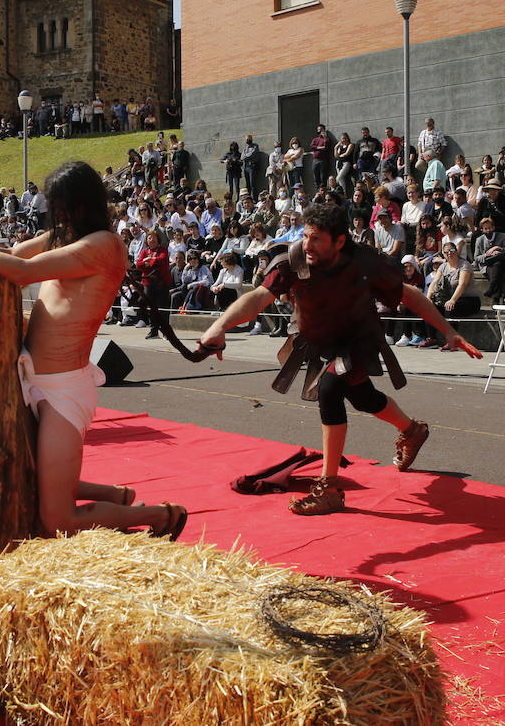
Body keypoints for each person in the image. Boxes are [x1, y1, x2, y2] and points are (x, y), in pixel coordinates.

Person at [0, 161, 188, 540]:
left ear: (82, 203)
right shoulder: (65, 235)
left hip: (63, 390)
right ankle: (117, 496)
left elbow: (23, 273)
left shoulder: (104, 245)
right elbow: (12, 254)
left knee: (57, 520)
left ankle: (163, 516)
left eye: (62, 206)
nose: (57, 215)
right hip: (37, 381)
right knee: (20, 471)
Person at [197, 202, 482, 515]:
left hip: (358, 338)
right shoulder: (293, 259)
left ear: (340, 241)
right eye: (305, 236)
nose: (307, 244)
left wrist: (449, 332)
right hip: (320, 340)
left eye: (316, 238)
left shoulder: (364, 263)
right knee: (362, 397)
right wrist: (219, 326)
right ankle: (413, 430)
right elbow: (258, 298)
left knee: (330, 390)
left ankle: (328, 488)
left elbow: (409, 295)